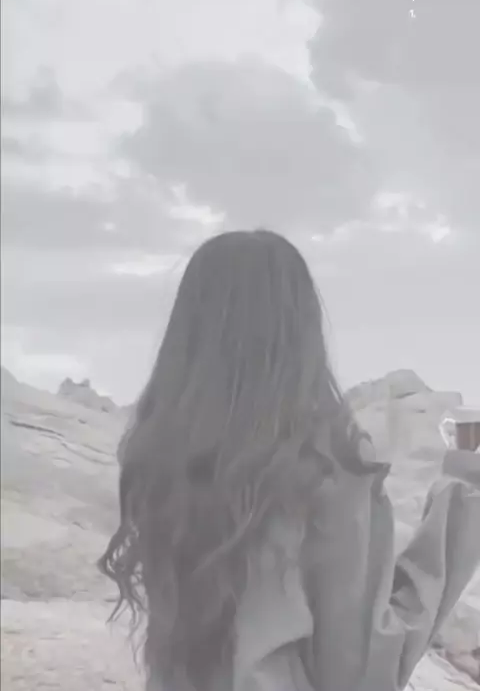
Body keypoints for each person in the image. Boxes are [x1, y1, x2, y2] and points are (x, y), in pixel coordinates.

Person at [99, 230, 480, 691]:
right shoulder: (324, 463)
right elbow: (359, 669)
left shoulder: (161, 459)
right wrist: (464, 484)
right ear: (301, 331)